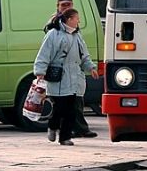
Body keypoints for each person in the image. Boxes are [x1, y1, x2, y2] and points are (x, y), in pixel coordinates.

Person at [34, 8, 99, 146]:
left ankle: (65, 137)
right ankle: (52, 126)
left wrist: (91, 67)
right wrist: (40, 71)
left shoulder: (77, 35)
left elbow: (84, 55)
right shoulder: (53, 34)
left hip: (74, 78)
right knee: (59, 108)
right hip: (59, 78)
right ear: (69, 19)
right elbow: (44, 53)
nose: (78, 21)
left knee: (71, 110)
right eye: (76, 18)